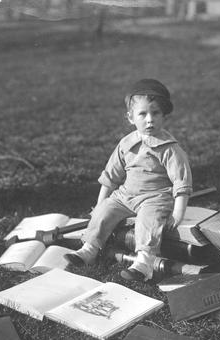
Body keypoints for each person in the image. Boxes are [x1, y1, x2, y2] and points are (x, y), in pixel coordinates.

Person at [64, 78, 193, 282]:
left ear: (164, 116)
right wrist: (100, 204)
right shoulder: (126, 143)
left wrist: (178, 212)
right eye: (143, 114)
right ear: (130, 118)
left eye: (156, 113)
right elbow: (110, 176)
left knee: (148, 221)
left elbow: (181, 181)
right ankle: (89, 249)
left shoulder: (169, 148)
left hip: (155, 197)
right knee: (104, 212)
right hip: (126, 195)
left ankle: (144, 263)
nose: (150, 119)